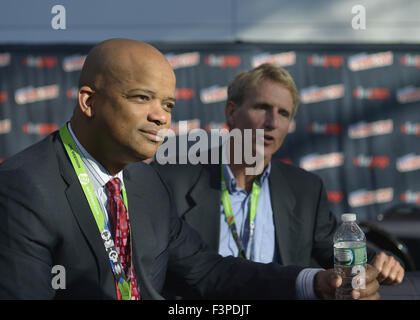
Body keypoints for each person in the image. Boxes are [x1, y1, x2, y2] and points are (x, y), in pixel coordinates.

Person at [0, 39, 379, 300]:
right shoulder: (22, 188)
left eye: (168, 104)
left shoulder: (145, 181)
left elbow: (208, 272)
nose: (160, 116)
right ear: (89, 101)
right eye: (142, 98)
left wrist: (313, 283)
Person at [152, 63, 404, 289]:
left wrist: (376, 261)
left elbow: (335, 249)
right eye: (262, 107)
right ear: (231, 112)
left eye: (283, 113)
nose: (272, 122)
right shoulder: (172, 180)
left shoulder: (305, 188)